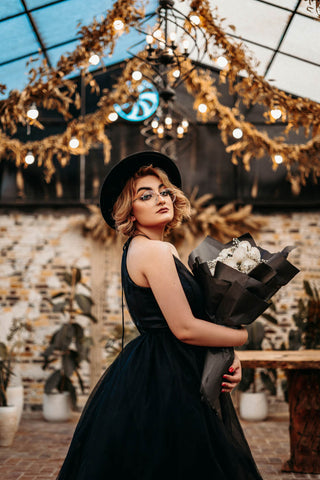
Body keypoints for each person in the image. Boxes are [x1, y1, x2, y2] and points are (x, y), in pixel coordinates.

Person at [57, 151, 263, 480]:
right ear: (129, 210)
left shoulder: (148, 247)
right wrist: (242, 337)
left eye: (164, 191)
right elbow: (184, 328)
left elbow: (196, 319)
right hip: (169, 373)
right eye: (145, 195)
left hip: (163, 366)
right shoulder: (153, 250)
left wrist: (226, 355)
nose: (160, 198)